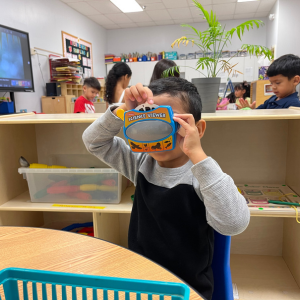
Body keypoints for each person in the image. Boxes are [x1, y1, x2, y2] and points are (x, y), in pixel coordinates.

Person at [82, 77, 249, 300]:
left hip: (188, 289)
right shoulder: (142, 163)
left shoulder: (203, 174)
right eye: (148, 120)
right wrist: (124, 109)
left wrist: (198, 155)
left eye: (172, 122)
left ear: (197, 129)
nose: (157, 132)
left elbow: (234, 223)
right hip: (142, 282)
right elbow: (94, 142)